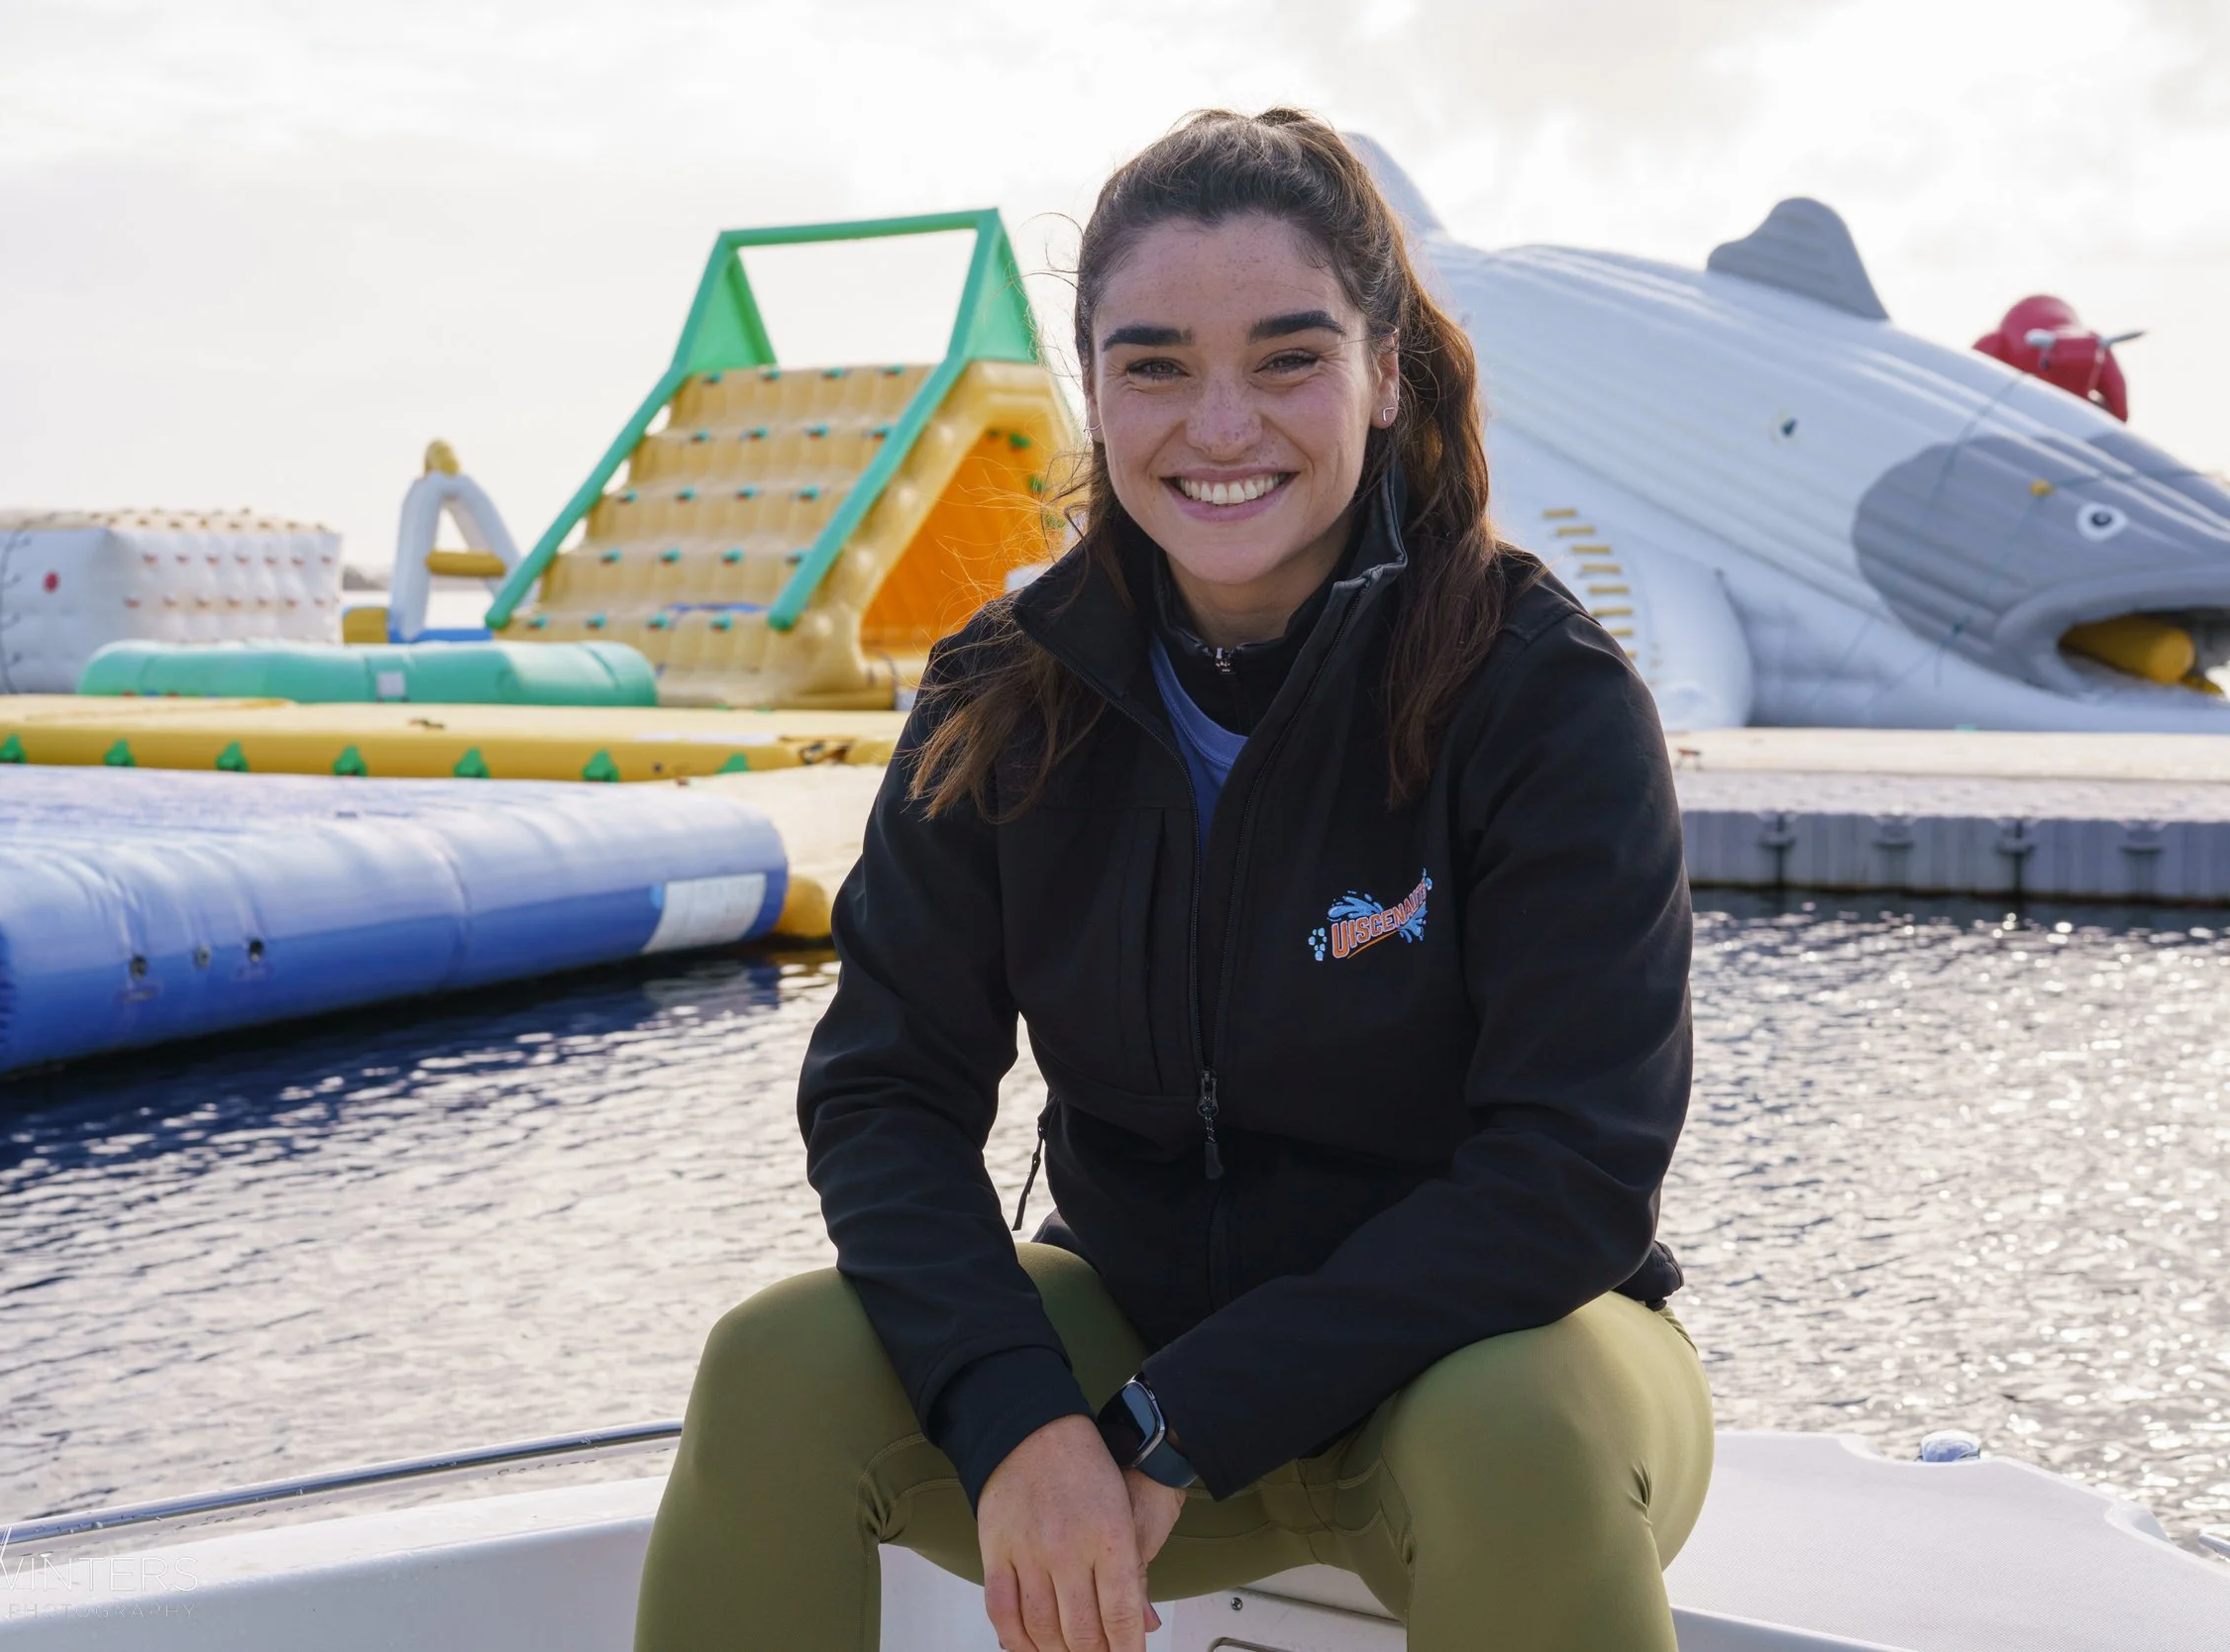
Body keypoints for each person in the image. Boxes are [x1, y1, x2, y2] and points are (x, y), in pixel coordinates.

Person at [634, 107, 1712, 1652]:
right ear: (1094, 389)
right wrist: (1019, 1416)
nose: (1221, 426)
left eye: (1287, 357)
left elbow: (1574, 1172)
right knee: (776, 1367)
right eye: (1155, 365)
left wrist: (1176, 1419)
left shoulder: (1537, 694)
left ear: (1383, 370)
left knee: (1513, 1435)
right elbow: (884, 1090)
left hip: (1494, 1365)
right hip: (1131, 1344)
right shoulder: (1004, 694)